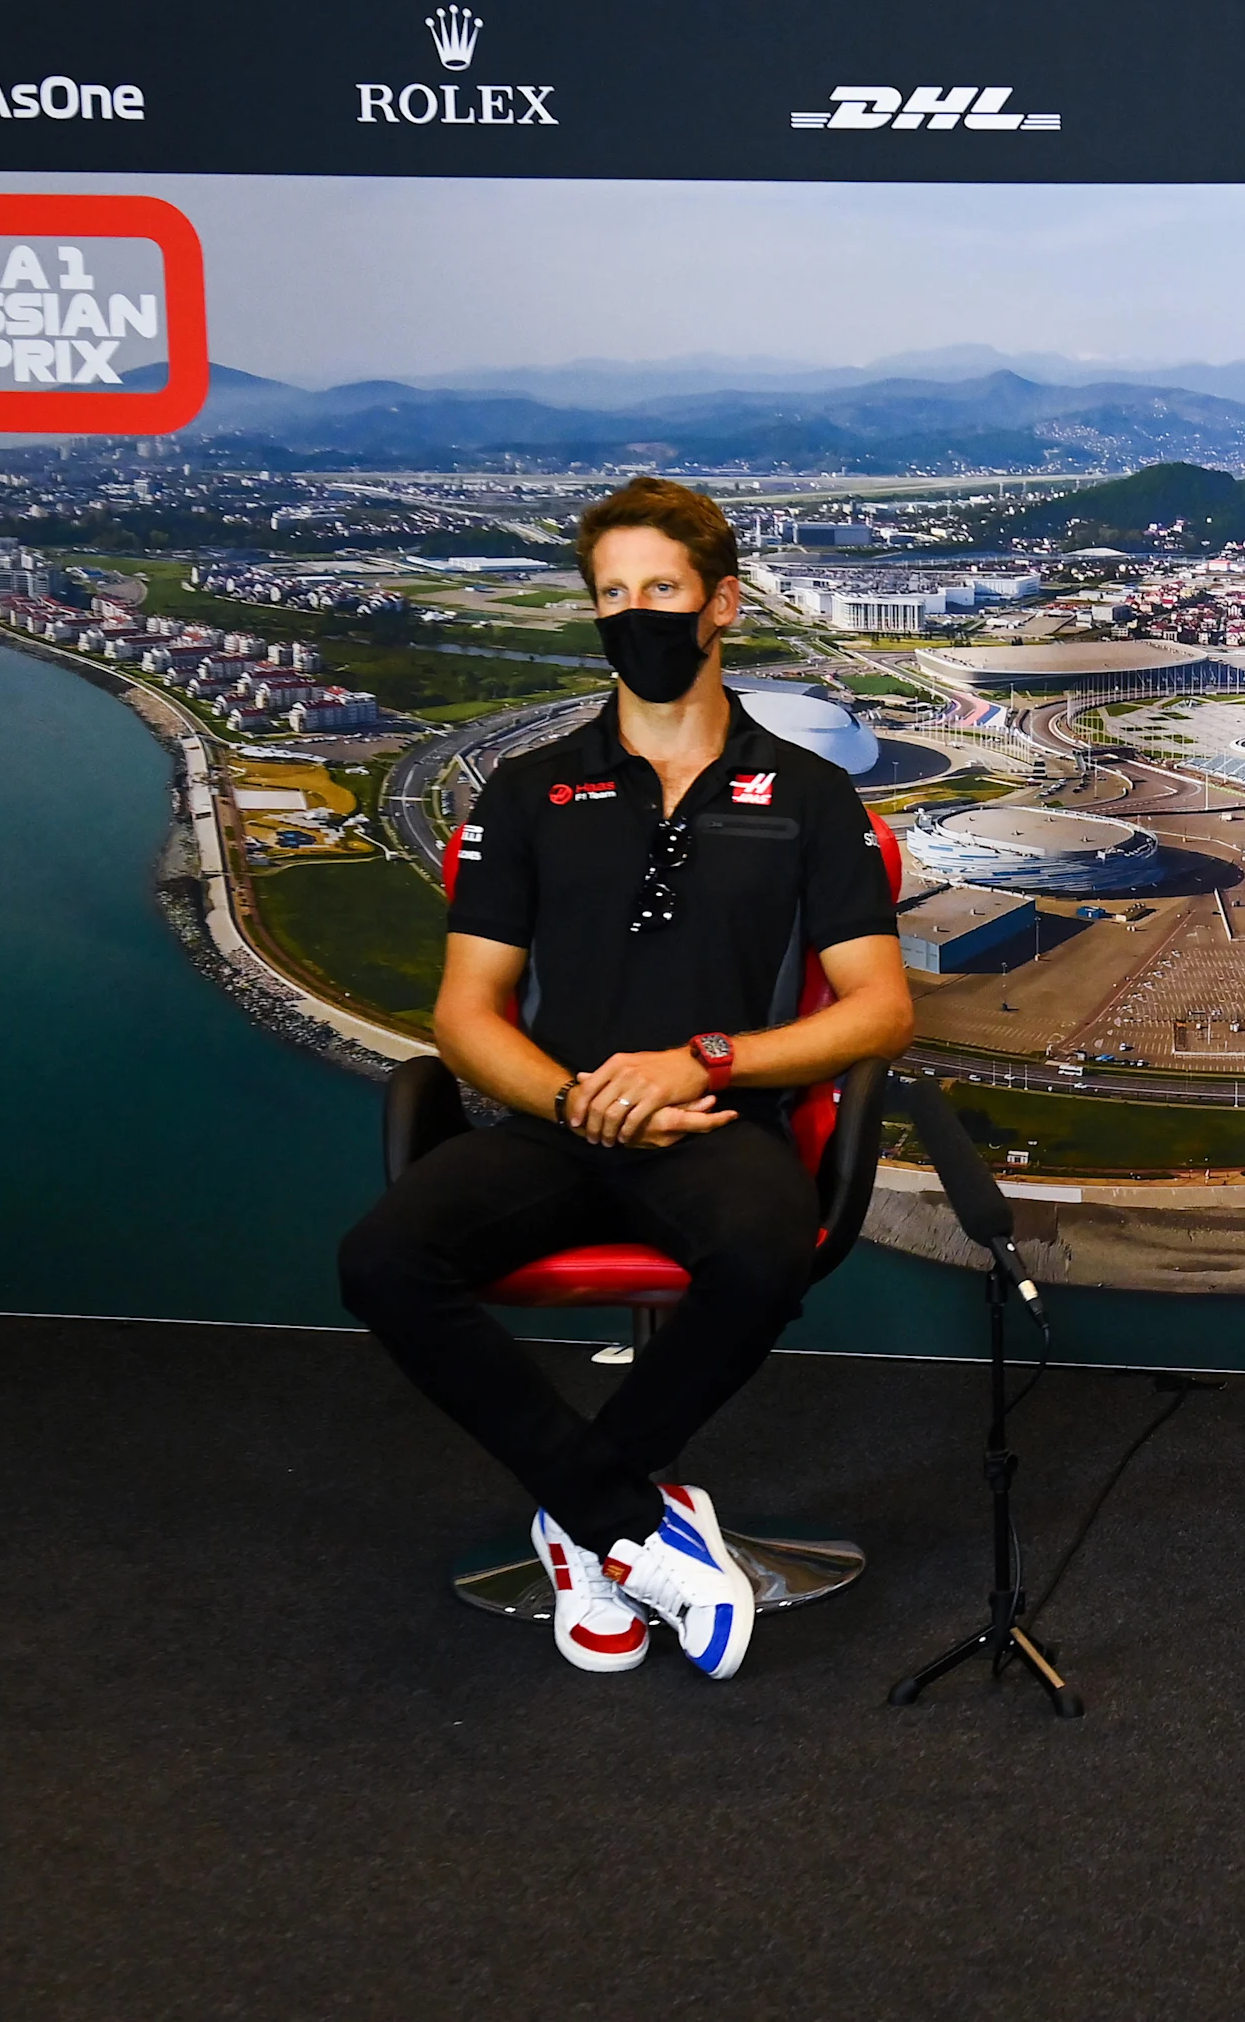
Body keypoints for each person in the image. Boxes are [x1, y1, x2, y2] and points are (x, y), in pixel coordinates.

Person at [339, 477, 913, 1680]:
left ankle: (582, 1517)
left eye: (661, 589)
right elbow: (465, 1012)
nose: (635, 614)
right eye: (613, 594)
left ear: (722, 605)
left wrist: (700, 1061)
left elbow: (878, 1009)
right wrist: (572, 1097)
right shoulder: (528, 789)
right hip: (551, 1125)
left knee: (766, 1253)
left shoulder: (808, 794)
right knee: (383, 1258)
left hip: (719, 1121)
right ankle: (627, 1521)